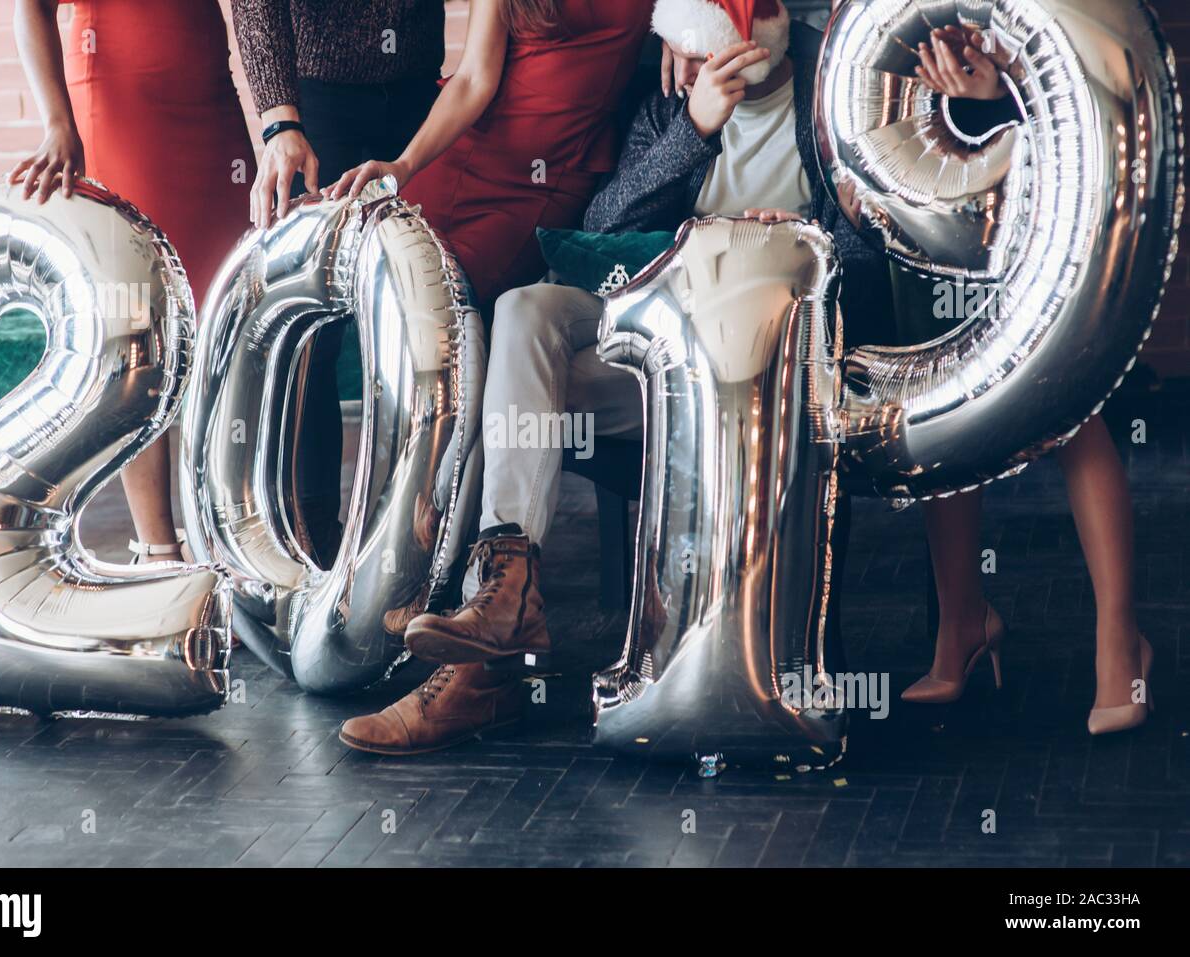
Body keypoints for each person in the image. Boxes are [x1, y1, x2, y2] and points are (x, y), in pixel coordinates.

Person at [337, 0, 896, 756]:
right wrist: (694, 132)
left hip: (769, 391)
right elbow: (602, 229)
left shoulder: (832, 106)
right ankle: (507, 587)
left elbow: (871, 262)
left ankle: (483, 677)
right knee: (526, 309)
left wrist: (792, 247)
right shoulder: (672, 96)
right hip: (656, 379)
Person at [899, 28, 1153, 737]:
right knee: (944, 397)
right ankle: (962, 625)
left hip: (1051, 171)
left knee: (1065, 401)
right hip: (928, 178)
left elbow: (1089, 58)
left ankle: (1120, 639)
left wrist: (1002, 90)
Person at [10, 0, 256, 563]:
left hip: (210, 97)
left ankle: (226, 542)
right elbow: (32, 8)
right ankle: (158, 549)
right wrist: (57, 121)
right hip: (118, 97)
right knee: (141, 323)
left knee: (227, 308)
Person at [230, 0, 447, 562]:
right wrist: (281, 121)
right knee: (313, 332)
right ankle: (311, 540)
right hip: (319, 103)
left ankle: (422, 535)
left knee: (424, 315)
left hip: (423, 99)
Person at [324, 0, 655, 310]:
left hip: (547, 180)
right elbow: (473, 79)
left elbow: (699, 20)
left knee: (441, 300)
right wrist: (404, 165)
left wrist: (682, 34)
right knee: (383, 282)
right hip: (467, 155)